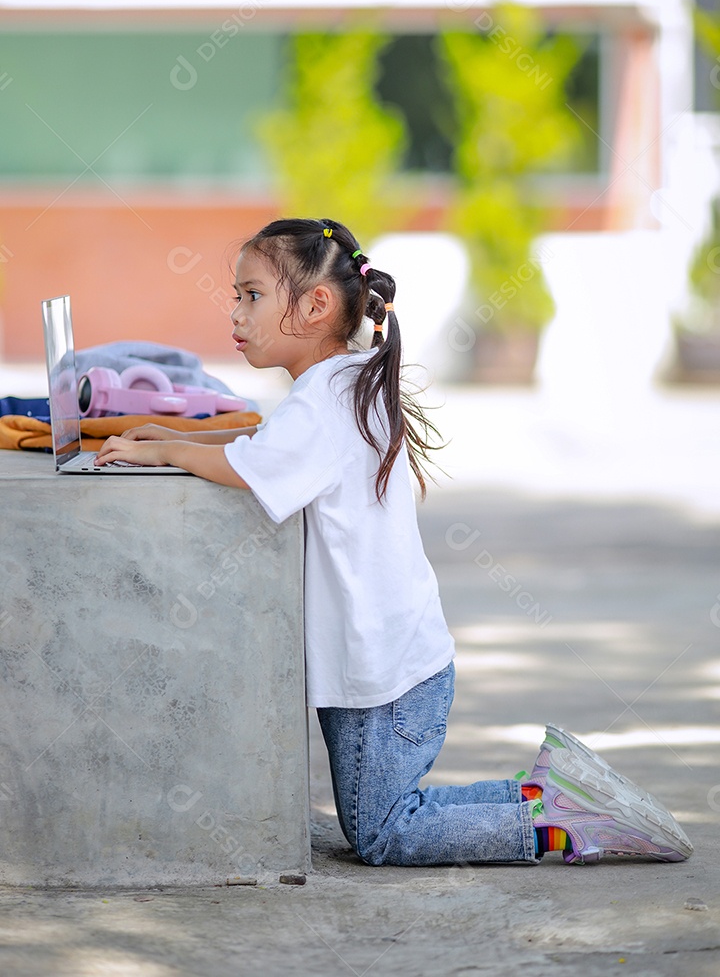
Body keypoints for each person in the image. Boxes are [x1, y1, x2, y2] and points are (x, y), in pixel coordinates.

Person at [96, 217, 693, 867]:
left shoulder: (318, 407)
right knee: (385, 817)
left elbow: (248, 466)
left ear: (316, 305)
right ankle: (547, 794)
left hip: (381, 680)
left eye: (251, 295)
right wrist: (165, 441)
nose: (234, 314)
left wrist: (165, 455)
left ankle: (553, 824)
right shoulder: (344, 383)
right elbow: (257, 445)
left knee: (383, 834)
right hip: (401, 663)